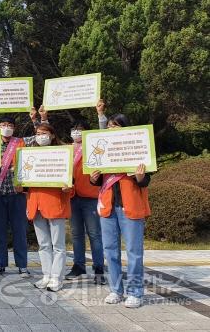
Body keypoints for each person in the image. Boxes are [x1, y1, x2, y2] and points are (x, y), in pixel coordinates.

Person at [90, 113, 151, 308]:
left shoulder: (137, 148)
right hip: (108, 207)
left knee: (133, 251)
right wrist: (93, 177)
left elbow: (146, 180)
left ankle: (135, 293)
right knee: (110, 251)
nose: (111, 129)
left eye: (115, 126)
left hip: (130, 207)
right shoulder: (104, 152)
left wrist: (140, 176)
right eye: (109, 126)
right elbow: (97, 181)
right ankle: (116, 290)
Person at [17, 123, 71, 292]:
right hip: (36, 204)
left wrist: (68, 187)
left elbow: (71, 181)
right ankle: (46, 275)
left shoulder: (62, 153)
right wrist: (20, 186)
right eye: (38, 133)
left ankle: (57, 277)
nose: (41, 136)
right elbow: (25, 181)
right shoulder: (29, 154)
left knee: (58, 244)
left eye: (44, 133)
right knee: (44, 244)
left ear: (52, 135)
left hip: (55, 202)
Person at [0, 116, 31, 278]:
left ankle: (22, 266)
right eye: (3, 125)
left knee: (19, 231)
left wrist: (38, 119)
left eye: (10, 125)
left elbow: (40, 138)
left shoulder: (20, 142)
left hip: (16, 193)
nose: (7, 127)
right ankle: (0, 264)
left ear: (14, 127)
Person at [65, 117, 105, 284]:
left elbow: (104, 136)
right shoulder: (66, 149)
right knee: (76, 234)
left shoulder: (93, 147)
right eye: (74, 129)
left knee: (95, 234)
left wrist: (100, 115)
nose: (77, 132)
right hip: (73, 196)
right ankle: (79, 266)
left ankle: (98, 269)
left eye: (80, 129)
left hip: (90, 196)